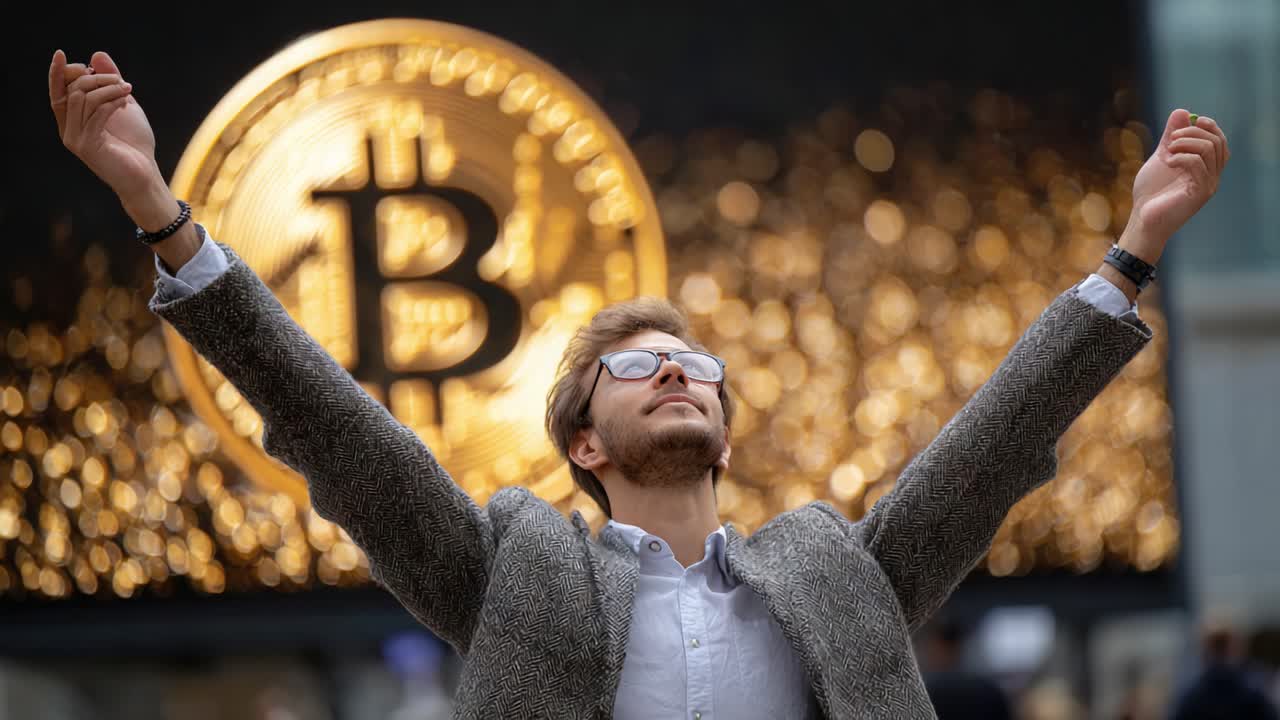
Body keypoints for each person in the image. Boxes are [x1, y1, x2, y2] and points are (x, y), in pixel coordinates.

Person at [48, 48, 1230, 719]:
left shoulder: (833, 567)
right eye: (631, 366)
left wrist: (1130, 253)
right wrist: (160, 209)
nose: (674, 369)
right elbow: (333, 429)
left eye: (696, 368)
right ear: (584, 446)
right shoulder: (513, 566)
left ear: (719, 431)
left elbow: (991, 448)